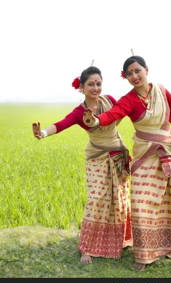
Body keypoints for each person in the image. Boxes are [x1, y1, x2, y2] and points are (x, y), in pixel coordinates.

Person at [83, 56, 171, 270]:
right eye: (129, 73)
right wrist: (96, 120)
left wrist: (160, 132)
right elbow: (113, 114)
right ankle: (144, 255)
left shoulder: (161, 90)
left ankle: (167, 246)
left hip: (165, 151)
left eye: (137, 70)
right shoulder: (129, 99)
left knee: (167, 199)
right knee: (140, 203)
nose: (134, 76)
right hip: (144, 155)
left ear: (146, 70)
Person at [32, 66, 132, 264]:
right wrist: (42, 133)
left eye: (98, 83)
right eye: (91, 84)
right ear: (82, 87)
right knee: (96, 200)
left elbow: (126, 110)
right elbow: (61, 124)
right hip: (97, 157)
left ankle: (119, 240)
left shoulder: (110, 101)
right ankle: (87, 248)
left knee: (119, 198)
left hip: (118, 155)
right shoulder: (80, 112)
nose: (95, 88)